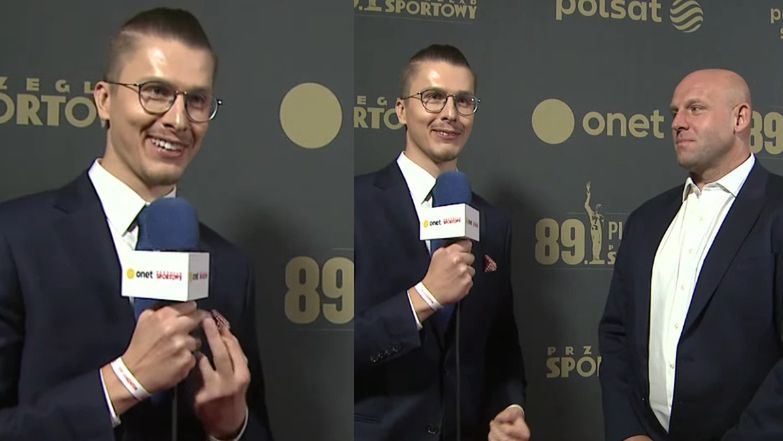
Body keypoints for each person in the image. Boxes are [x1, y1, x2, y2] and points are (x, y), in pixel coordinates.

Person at [0, 8, 273, 441]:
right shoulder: (15, 239)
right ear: (104, 100)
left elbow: (255, 427)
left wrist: (230, 428)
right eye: (155, 92)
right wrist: (123, 382)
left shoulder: (229, 266)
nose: (178, 120)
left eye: (196, 100)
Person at [354, 44, 529, 441]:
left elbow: (502, 347)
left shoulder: (493, 223)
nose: (450, 113)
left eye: (463, 101)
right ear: (401, 110)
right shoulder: (354, 204)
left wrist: (509, 408)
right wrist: (425, 297)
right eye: (433, 97)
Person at [599, 69, 783, 440]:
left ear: (740, 118)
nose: (678, 123)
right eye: (674, 112)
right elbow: (616, 333)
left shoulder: (777, 210)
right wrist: (629, 432)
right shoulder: (646, 220)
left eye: (695, 108)